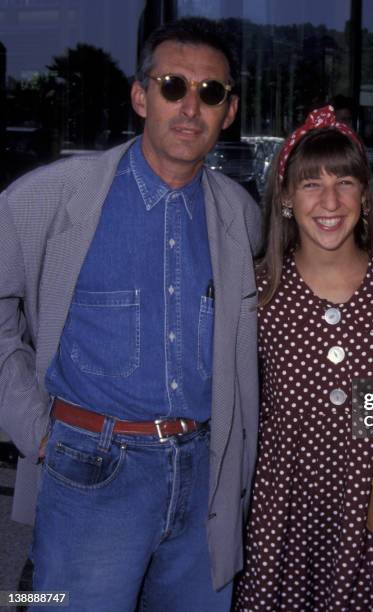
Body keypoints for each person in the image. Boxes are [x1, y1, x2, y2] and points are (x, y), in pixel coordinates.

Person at [0, 17, 261, 611]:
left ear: (230, 109)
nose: (190, 106)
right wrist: (35, 427)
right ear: (141, 96)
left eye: (210, 92)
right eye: (173, 86)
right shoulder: (52, 197)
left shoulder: (240, 215)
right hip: (90, 471)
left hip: (203, 475)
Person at [235, 106, 373, 610]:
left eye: (346, 182)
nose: (330, 200)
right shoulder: (259, 287)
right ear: (287, 197)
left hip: (370, 506)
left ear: (366, 196)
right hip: (281, 504)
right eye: (311, 184)